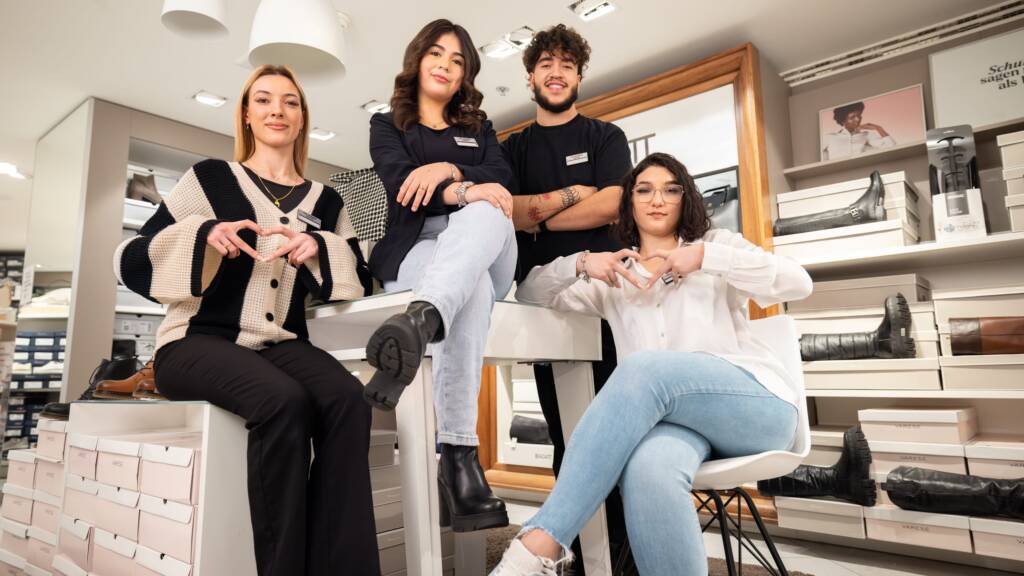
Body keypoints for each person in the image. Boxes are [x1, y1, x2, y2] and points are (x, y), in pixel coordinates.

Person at [490, 152, 812, 576]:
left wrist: (705, 258)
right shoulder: (616, 278)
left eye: (670, 190)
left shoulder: (716, 246)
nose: (657, 199)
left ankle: (540, 542)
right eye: (644, 190)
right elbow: (530, 291)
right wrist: (583, 263)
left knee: (643, 368)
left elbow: (799, 283)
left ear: (685, 199)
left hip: (756, 412)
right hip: (681, 430)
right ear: (629, 203)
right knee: (646, 469)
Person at [115, 65, 379, 576]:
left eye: (290, 102)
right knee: (283, 402)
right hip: (194, 342)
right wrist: (203, 235)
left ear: (302, 118)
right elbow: (132, 258)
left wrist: (319, 248)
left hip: (281, 344)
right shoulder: (209, 178)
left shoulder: (327, 201)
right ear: (246, 115)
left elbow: (361, 279)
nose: (277, 110)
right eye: (263, 100)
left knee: (349, 401)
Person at [363, 19, 515, 532]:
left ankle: (422, 317)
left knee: (487, 209)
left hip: (488, 241)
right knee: (468, 288)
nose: (445, 65)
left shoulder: (480, 127)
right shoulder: (387, 125)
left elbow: (502, 179)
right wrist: (467, 185)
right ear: (417, 58)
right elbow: (402, 187)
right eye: (436, 53)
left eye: (457, 60)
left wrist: (450, 174)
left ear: (466, 73)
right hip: (417, 246)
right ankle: (459, 460)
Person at [500, 23, 632, 569]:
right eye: (546, 64)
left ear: (579, 76)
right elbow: (508, 210)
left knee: (617, 435)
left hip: (607, 306)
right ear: (530, 77)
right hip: (547, 306)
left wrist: (542, 218)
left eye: (567, 65)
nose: (556, 73)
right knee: (568, 437)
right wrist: (576, 193)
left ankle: (623, 553)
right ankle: (578, 550)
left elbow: (613, 204)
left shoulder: (605, 137)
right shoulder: (512, 149)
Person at [821, 101, 894, 160]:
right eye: (852, 117)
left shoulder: (866, 135)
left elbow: (892, 147)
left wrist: (879, 128)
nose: (857, 119)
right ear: (843, 120)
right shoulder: (830, 137)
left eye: (859, 116)